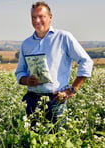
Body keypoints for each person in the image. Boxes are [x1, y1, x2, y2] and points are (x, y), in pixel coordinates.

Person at [15, 1, 93, 129]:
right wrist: (26, 80)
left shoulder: (63, 37)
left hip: (56, 101)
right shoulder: (26, 44)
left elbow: (86, 61)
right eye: (34, 17)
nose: (37, 20)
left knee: (57, 140)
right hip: (32, 100)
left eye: (41, 16)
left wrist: (72, 90)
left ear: (50, 17)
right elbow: (20, 72)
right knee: (32, 140)